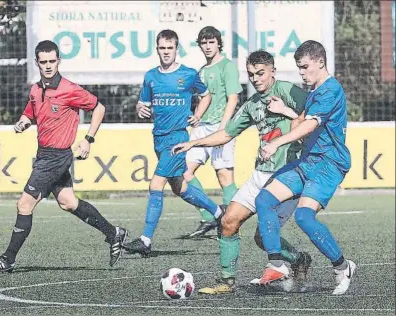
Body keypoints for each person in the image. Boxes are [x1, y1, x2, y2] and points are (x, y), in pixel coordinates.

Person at [0, 40, 128, 273]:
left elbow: (99, 108)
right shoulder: (35, 90)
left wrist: (88, 139)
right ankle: (114, 233)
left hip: (56, 158)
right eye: (43, 62)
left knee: (24, 204)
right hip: (44, 155)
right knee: (68, 202)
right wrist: (23, 122)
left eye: (52, 61)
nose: (48, 66)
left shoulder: (70, 89)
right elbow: (30, 114)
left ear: (59, 61)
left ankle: (8, 259)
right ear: (37, 63)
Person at [172, 50, 311, 294]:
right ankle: (227, 282)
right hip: (261, 174)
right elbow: (226, 133)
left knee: (262, 235)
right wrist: (194, 143)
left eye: (260, 73)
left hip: (288, 175)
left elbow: (312, 119)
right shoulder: (252, 105)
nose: (256, 79)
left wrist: (288, 113)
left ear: (272, 72)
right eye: (251, 75)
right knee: (228, 221)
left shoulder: (289, 92)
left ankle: (298, 259)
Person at [254, 40, 356, 295]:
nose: (301, 73)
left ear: (320, 62)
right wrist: (286, 110)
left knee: (303, 217)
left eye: (304, 67)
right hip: (308, 161)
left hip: (328, 164)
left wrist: (276, 142)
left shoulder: (331, 90)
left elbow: (309, 125)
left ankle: (343, 266)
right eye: (299, 68)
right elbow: (302, 121)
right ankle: (277, 263)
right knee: (264, 200)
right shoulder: (314, 91)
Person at [122, 30, 224, 257]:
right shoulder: (150, 76)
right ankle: (219, 214)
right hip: (158, 138)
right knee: (179, 187)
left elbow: (206, 95)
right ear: (157, 49)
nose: (166, 52)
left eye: (169, 48)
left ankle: (146, 241)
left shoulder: (188, 74)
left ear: (176, 49)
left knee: (155, 185)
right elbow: (142, 103)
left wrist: (197, 115)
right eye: (162, 48)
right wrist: (140, 108)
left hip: (177, 138)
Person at [184, 26, 242, 238]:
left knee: (224, 176)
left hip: (221, 126)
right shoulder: (202, 71)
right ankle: (209, 217)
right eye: (204, 43)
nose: (207, 46)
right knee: (184, 172)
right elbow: (202, 99)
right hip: (201, 128)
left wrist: (223, 127)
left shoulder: (228, 67)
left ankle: (232, 222)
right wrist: (196, 117)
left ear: (218, 43)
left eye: (211, 42)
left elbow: (233, 98)